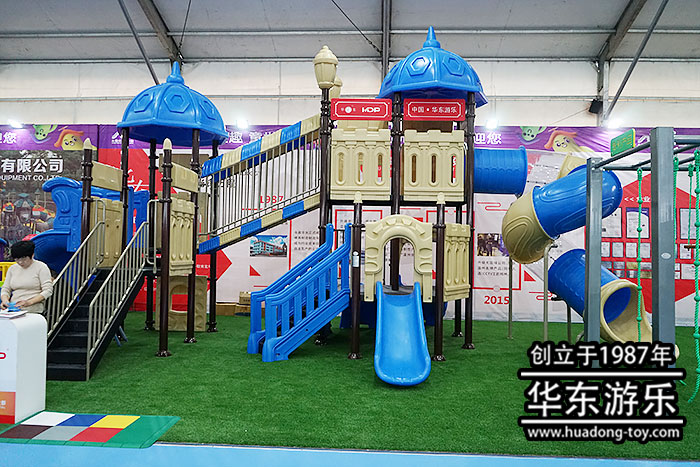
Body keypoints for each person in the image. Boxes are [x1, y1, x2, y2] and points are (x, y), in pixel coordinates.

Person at [1, 240, 53, 313]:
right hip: (14, 309)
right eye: (17, 259)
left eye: (24, 259)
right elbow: (6, 289)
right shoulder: (12, 269)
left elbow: (48, 291)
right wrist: (5, 301)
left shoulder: (41, 267)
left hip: (33, 310)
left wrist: (29, 302)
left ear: (32, 255)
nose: (20, 262)